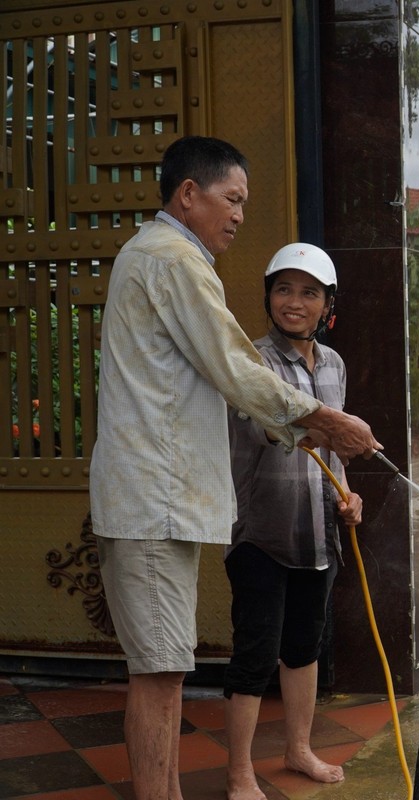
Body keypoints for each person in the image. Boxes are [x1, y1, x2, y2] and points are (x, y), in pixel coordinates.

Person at [90, 135, 382, 800]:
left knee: (163, 669)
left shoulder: (159, 256)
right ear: (188, 194)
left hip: (158, 502)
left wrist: (318, 425)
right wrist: (323, 419)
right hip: (155, 502)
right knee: (163, 672)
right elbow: (234, 365)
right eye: (233, 198)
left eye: (244, 203)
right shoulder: (172, 260)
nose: (240, 214)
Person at [223, 243, 359, 800]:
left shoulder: (334, 365)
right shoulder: (250, 363)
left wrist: (348, 498)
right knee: (255, 653)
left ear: (328, 304)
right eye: (284, 289)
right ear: (268, 296)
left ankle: (298, 748)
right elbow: (266, 431)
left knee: (304, 647)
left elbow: (338, 453)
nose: (294, 302)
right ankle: (238, 774)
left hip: (318, 536)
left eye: (309, 292)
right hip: (262, 534)